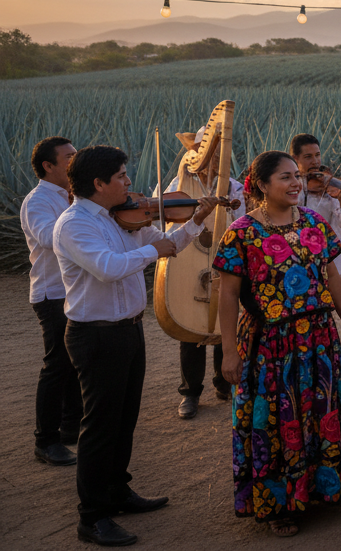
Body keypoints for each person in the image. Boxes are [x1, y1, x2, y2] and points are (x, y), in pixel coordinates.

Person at [53, 145, 231, 547]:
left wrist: (194, 221)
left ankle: (118, 492)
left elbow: (168, 240)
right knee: (99, 427)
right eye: (120, 176)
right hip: (95, 334)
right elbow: (108, 267)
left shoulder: (124, 216)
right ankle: (92, 517)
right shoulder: (74, 224)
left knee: (124, 419)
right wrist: (156, 249)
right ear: (98, 184)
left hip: (127, 330)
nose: (129, 183)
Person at [214, 150, 341, 538]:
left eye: (297, 175)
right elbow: (227, 296)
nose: (296, 182)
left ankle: (325, 489)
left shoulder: (314, 222)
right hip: (270, 344)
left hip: (318, 338)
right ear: (261, 185)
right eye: (285, 177)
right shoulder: (241, 232)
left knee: (320, 410)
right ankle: (279, 503)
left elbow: (331, 276)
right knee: (277, 420)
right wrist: (229, 350)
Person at [165, 126, 247, 421]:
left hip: (224, 258)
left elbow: (243, 222)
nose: (213, 159)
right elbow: (164, 221)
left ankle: (224, 383)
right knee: (192, 323)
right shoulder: (178, 183)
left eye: (217, 154)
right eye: (207, 153)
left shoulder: (235, 188)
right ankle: (190, 393)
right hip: (189, 259)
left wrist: (227, 209)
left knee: (225, 321)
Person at [22, 135, 82, 467]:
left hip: (72, 291)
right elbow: (48, 237)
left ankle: (71, 426)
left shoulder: (71, 197)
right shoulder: (37, 201)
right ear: (49, 165)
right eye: (69, 157)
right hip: (51, 293)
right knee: (57, 365)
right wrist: (80, 208)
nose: (76, 160)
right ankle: (45, 441)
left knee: (75, 361)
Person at [290, 133, 341, 302]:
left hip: (336, 264)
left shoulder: (330, 187)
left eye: (317, 155)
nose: (315, 162)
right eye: (308, 157)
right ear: (294, 158)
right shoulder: (290, 188)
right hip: (300, 265)